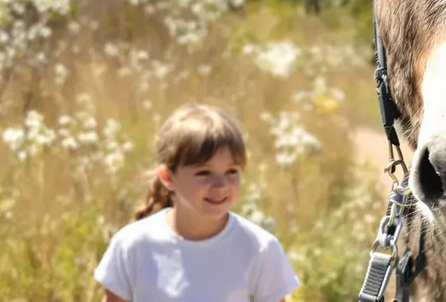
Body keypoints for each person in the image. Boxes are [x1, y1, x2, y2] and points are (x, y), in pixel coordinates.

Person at [94, 103, 301, 302]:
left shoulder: (260, 249)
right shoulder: (132, 245)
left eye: (231, 171)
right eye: (204, 173)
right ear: (167, 177)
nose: (220, 185)